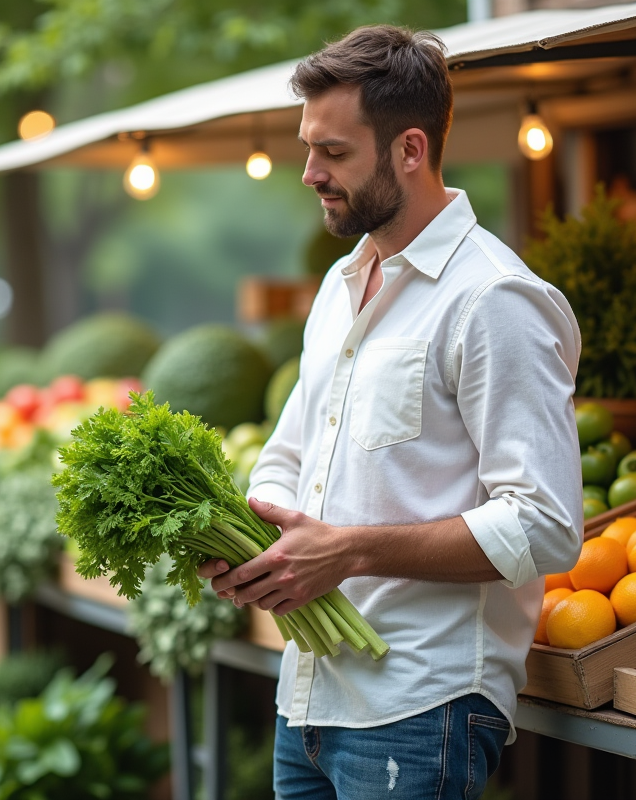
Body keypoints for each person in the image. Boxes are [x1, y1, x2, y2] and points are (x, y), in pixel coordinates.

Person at [199, 26, 583, 799]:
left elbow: (545, 523)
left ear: (410, 149)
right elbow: (289, 453)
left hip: (422, 706)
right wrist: (257, 545)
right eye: (310, 148)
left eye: (334, 153)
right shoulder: (343, 284)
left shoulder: (493, 300)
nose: (310, 173)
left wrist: (348, 552)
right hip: (307, 698)